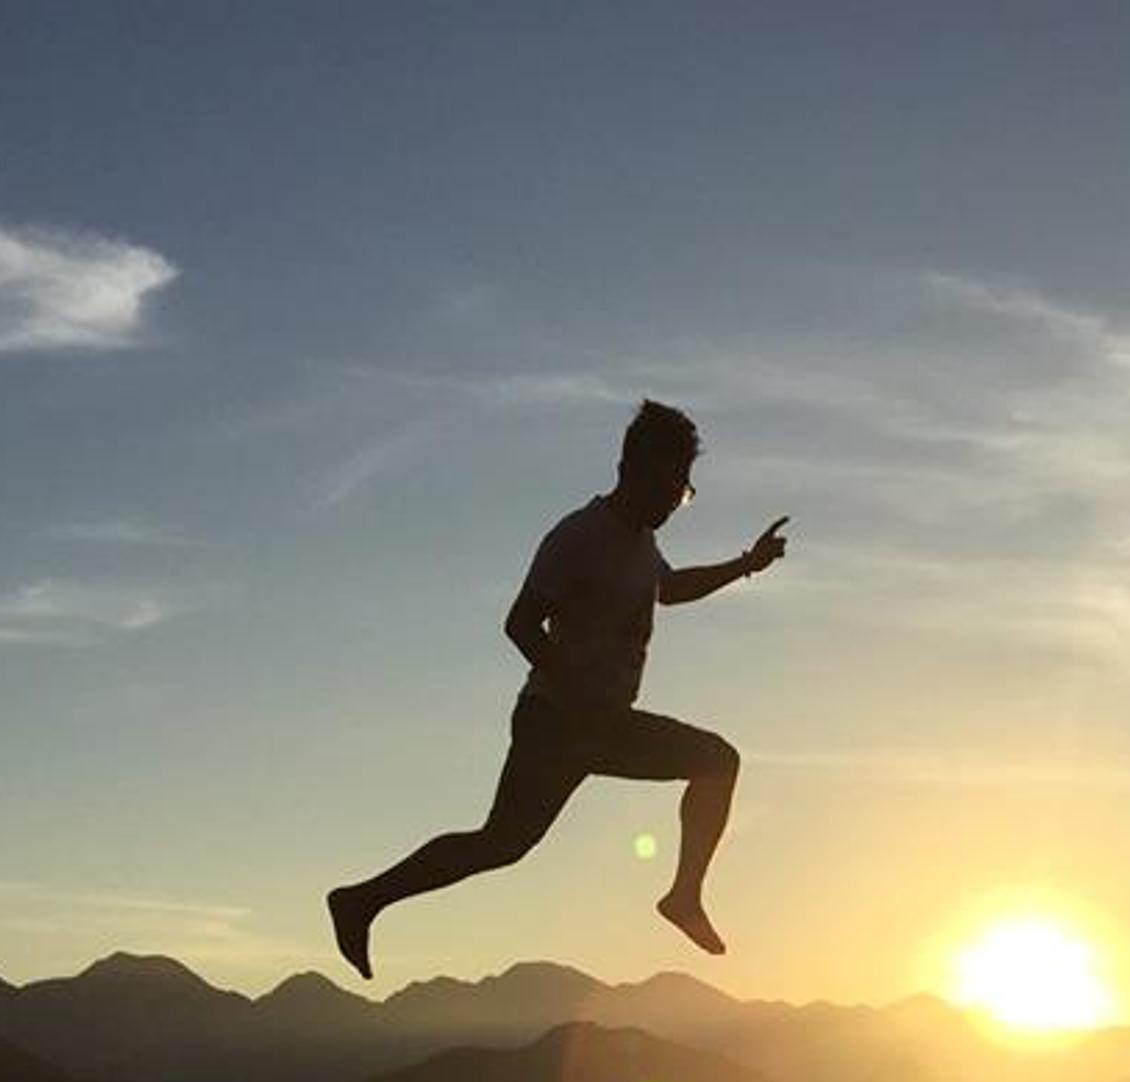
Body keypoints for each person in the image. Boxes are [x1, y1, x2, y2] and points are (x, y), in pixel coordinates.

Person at [326, 401, 790, 979]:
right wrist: (575, 693)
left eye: (685, 490)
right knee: (502, 842)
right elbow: (520, 623)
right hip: (556, 721)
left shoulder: (641, 544)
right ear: (634, 470)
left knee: (708, 765)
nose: (678, 499)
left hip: (598, 725)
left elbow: (669, 589)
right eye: (674, 485)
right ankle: (358, 901)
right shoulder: (579, 536)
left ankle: (683, 897)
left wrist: (747, 564)